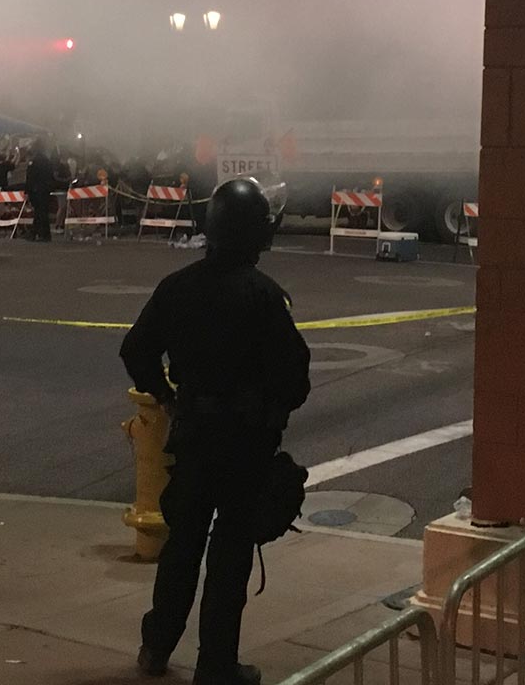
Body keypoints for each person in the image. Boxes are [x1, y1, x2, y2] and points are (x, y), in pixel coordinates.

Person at [121, 178, 312, 685]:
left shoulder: (177, 287)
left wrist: (165, 395)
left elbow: (135, 351)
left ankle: (156, 647)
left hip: (195, 437)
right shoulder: (266, 297)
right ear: (256, 236)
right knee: (229, 556)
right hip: (245, 445)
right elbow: (295, 379)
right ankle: (216, 664)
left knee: (182, 544)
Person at [26, 141, 58, 243]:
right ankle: (40, 233)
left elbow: (30, 177)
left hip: (36, 189)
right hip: (46, 189)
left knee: (39, 212)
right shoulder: (47, 161)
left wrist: (27, 191)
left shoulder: (34, 161)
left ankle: (39, 233)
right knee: (42, 212)